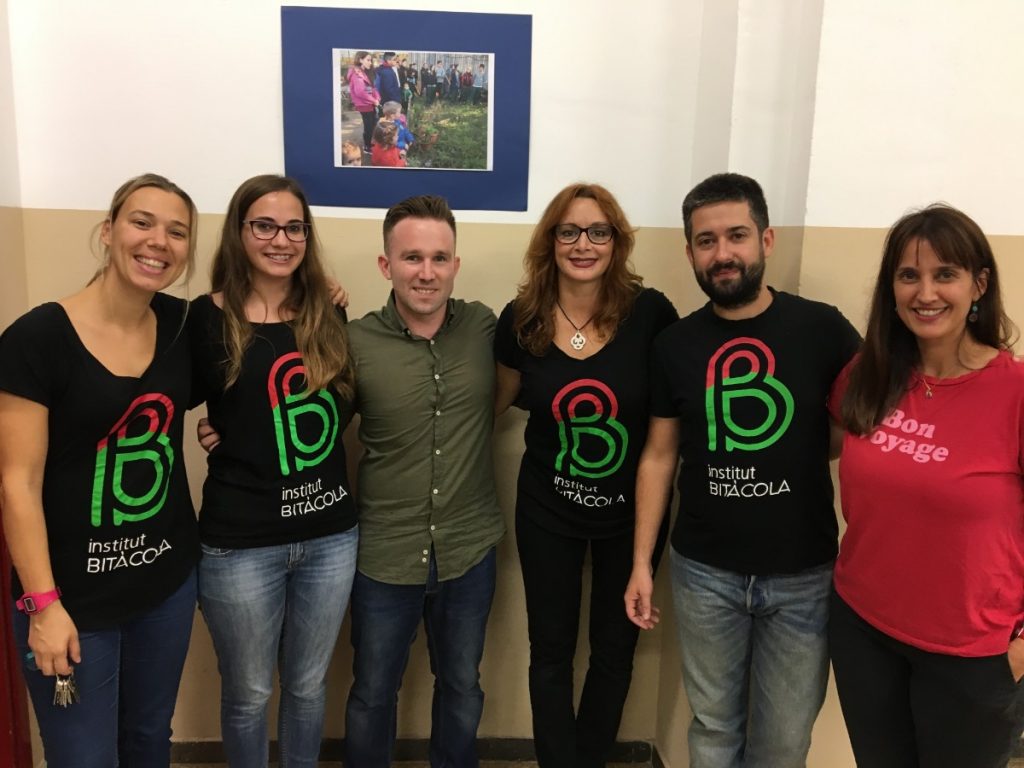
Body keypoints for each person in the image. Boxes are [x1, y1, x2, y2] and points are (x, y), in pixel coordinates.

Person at [624, 172, 860, 767]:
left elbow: (859, 426)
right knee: (713, 731)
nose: (722, 253)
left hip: (804, 576)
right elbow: (658, 456)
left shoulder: (823, 329)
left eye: (736, 236)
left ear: (766, 240)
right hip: (705, 573)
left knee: (784, 742)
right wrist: (641, 563)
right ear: (689, 253)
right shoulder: (674, 345)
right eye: (706, 241)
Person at [0, 173, 201, 767]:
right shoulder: (37, 338)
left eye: (177, 231)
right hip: (71, 600)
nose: (158, 241)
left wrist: (322, 284)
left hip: (164, 586)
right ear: (108, 231)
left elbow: (260, 329)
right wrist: (42, 605)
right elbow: (16, 484)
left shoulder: (184, 326)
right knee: (83, 757)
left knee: (148, 741)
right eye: (142, 222)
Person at [828, 204, 1024, 767]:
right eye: (909, 275)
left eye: (945, 274)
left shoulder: (1014, 391)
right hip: (864, 630)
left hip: (972, 655)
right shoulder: (869, 374)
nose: (926, 293)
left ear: (978, 284)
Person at [495, 183, 677, 768]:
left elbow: (668, 428)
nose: (583, 244)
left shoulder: (651, 315)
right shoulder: (521, 319)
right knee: (549, 652)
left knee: (614, 651)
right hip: (547, 510)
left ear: (616, 242)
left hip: (631, 517)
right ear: (550, 241)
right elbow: (490, 403)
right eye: (569, 231)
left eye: (599, 231)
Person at [190, 175, 359, 768]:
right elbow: (160, 396)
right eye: (264, 225)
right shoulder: (204, 320)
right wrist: (218, 429)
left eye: (294, 228)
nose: (280, 240)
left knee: (308, 687)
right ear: (239, 232)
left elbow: (341, 406)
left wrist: (248, 428)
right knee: (249, 694)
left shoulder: (329, 312)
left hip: (330, 536)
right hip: (241, 544)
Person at [342, 195, 505, 767]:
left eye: (439, 258)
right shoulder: (354, 342)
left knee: (462, 686)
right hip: (384, 553)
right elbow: (307, 423)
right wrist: (227, 429)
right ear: (386, 265)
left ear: (455, 264)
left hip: (469, 549)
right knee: (372, 693)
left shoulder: (484, 327)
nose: (427, 272)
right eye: (412, 258)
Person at [347, 50, 380, 154]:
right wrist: (374, 100)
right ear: (360, 60)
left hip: (369, 103)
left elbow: (372, 87)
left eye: (371, 60)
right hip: (364, 104)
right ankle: (367, 147)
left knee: (372, 124)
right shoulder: (356, 74)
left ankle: (370, 143)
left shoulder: (364, 72)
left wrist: (377, 96)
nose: (370, 62)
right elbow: (360, 92)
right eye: (368, 60)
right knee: (368, 126)